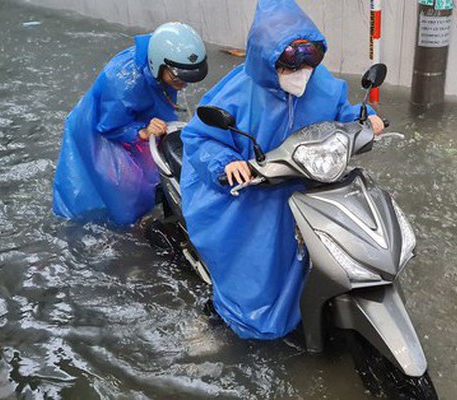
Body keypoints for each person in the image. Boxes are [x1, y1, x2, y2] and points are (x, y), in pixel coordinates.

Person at [180, 0, 384, 340]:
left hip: (307, 183)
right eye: (291, 66)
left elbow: (341, 112)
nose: (302, 73)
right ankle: (221, 314)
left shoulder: (323, 85)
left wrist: (363, 118)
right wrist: (227, 163)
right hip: (250, 192)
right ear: (266, 59)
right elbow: (199, 137)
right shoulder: (237, 95)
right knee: (252, 270)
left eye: (310, 63)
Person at [52, 22, 208, 225]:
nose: (184, 84)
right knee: (121, 188)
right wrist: (141, 132)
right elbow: (110, 125)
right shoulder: (125, 82)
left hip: (131, 113)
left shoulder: (163, 66)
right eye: (178, 79)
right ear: (157, 63)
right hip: (100, 128)